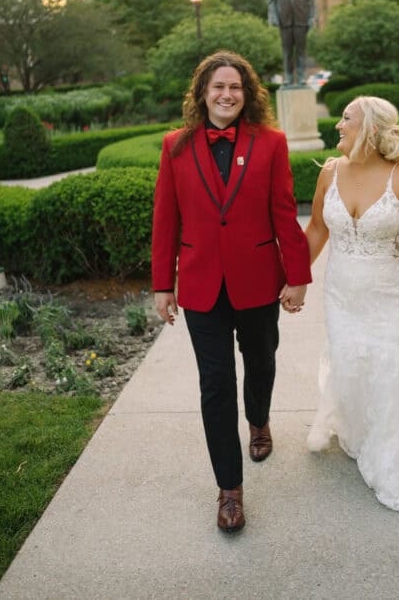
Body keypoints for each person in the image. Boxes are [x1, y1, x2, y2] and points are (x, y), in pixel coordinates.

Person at [152, 51, 312, 533]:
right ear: (202, 93)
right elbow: (166, 219)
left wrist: (298, 274)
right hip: (202, 286)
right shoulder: (175, 146)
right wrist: (163, 283)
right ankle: (229, 491)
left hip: (259, 279)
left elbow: (285, 211)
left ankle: (259, 420)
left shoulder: (271, 143)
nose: (226, 94)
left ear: (248, 95)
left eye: (235, 87)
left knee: (261, 360)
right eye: (218, 86)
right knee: (215, 384)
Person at [305, 96, 399, 514]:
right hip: (341, 295)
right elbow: (317, 229)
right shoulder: (330, 174)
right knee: (352, 365)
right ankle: (361, 433)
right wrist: (294, 279)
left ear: (370, 130)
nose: (338, 125)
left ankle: (396, 464)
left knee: (392, 373)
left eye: (346, 119)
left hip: (393, 296)